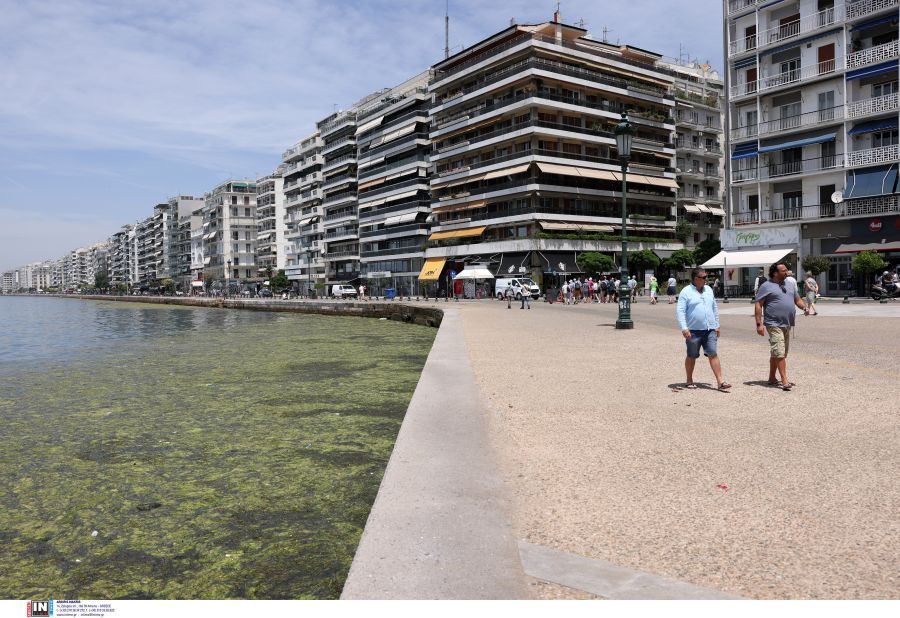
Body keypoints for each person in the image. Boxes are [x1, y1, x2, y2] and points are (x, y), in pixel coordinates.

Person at [755, 263, 808, 391]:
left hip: (787, 323)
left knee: (779, 352)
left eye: (787, 270)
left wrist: (804, 307)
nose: (787, 272)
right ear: (775, 273)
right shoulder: (766, 286)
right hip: (773, 324)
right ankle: (784, 380)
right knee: (779, 352)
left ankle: (772, 378)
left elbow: (797, 300)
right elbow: (758, 304)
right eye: (784, 270)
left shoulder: (789, 284)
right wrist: (759, 324)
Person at [676, 268, 730, 391]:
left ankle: (720, 381)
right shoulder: (686, 291)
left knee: (713, 353)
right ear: (696, 279)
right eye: (704, 277)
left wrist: (717, 325)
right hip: (693, 330)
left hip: (710, 329)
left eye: (706, 276)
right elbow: (680, 311)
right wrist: (684, 328)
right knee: (692, 355)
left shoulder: (709, 290)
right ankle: (689, 380)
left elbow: (714, 307)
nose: (707, 279)